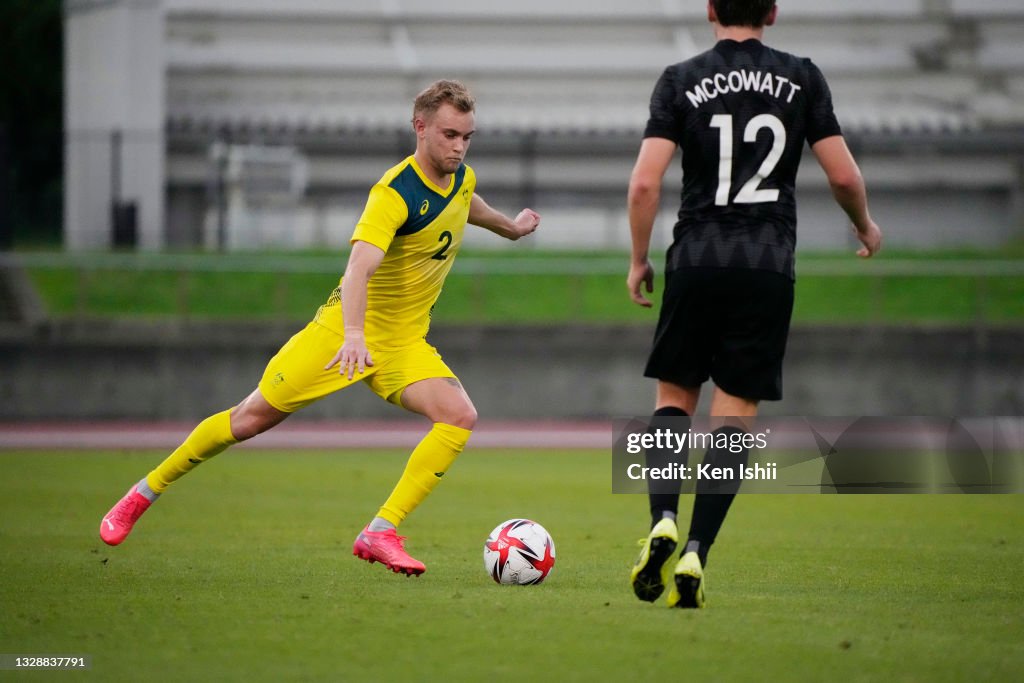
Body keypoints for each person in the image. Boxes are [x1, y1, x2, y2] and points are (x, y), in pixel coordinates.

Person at [99, 79, 541, 576]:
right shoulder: (393, 194)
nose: (459, 146)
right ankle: (142, 493)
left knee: (459, 415)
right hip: (341, 335)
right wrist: (354, 335)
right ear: (420, 128)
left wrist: (512, 227)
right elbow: (358, 270)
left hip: (403, 345)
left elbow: (467, 204)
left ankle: (380, 531)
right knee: (249, 419)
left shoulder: (460, 179)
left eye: (467, 136)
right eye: (449, 135)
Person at [626, 0, 882, 608]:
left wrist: (638, 258)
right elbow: (844, 178)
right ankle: (696, 551)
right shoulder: (802, 75)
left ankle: (662, 517)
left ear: (710, 8)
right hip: (767, 265)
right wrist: (865, 225)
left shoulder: (680, 78)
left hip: (695, 257)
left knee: (674, 398)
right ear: (772, 11)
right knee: (734, 412)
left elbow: (644, 182)